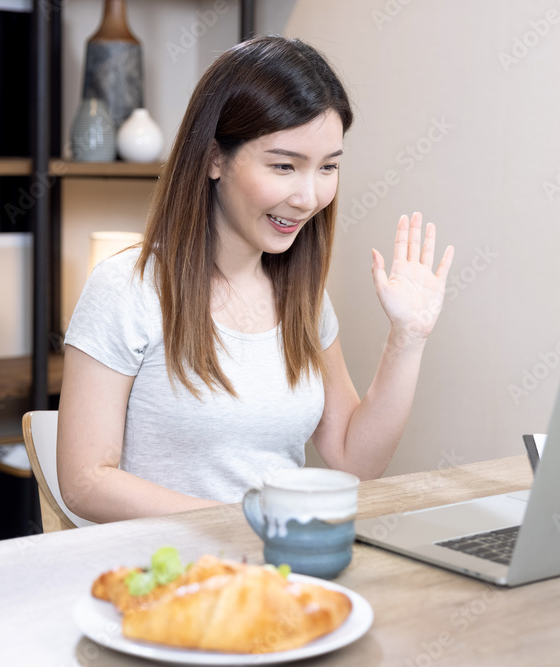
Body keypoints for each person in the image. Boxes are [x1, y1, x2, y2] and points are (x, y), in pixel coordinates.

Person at [57, 35, 454, 523]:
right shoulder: (127, 288)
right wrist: (247, 524)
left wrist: (407, 339)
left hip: (277, 569)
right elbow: (84, 481)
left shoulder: (303, 299)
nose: (309, 197)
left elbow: (356, 460)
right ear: (214, 158)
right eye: (284, 166)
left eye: (328, 167)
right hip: (175, 574)